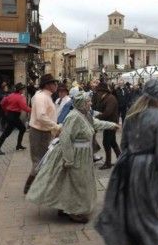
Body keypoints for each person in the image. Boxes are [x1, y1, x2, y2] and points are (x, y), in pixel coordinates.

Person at [95, 79, 158, 245]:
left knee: (120, 206)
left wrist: (127, 158)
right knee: (143, 209)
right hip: (147, 168)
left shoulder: (132, 113)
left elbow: (123, 144)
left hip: (125, 163)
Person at [27, 92, 118, 223]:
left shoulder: (84, 115)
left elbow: (96, 123)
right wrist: (68, 159)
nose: (90, 103)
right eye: (88, 102)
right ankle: (74, 210)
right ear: (81, 103)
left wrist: (112, 125)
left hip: (83, 155)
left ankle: (64, 207)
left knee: (69, 182)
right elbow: (65, 138)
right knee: (77, 183)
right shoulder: (74, 117)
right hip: (76, 154)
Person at [23, 74, 61, 195]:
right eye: (54, 83)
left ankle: (33, 187)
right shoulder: (41, 97)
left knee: (43, 161)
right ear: (48, 85)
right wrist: (56, 127)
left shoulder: (46, 96)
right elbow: (41, 116)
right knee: (39, 161)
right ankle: (30, 188)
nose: (56, 85)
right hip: (39, 133)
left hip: (44, 132)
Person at [0, 83, 31, 155]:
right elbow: (24, 107)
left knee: (21, 129)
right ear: (20, 90)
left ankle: (18, 145)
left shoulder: (10, 95)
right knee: (7, 133)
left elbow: (2, 103)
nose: (23, 90)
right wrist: (33, 110)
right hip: (14, 116)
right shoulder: (20, 97)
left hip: (10, 115)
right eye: (22, 89)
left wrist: (6, 110)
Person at [96, 82, 121, 170]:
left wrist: (96, 117)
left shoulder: (110, 98)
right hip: (108, 124)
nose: (98, 93)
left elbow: (108, 112)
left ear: (102, 91)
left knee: (107, 142)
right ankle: (121, 161)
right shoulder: (105, 98)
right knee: (112, 142)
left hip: (111, 124)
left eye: (98, 91)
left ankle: (108, 163)